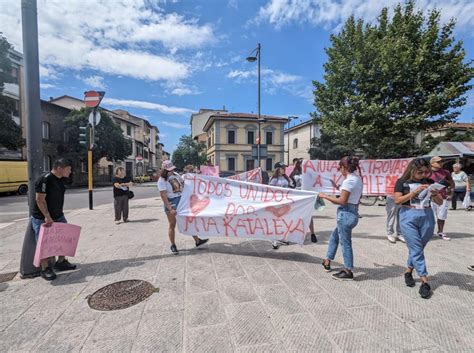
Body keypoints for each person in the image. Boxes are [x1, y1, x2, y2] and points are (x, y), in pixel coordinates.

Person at [394, 158, 443, 299]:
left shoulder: (428, 182)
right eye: (420, 172)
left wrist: (434, 194)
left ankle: (408, 271)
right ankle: (424, 281)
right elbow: (397, 200)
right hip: (408, 214)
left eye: (426, 172)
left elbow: (439, 202)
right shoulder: (401, 182)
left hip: (427, 215)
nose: (423, 175)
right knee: (416, 248)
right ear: (412, 169)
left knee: (418, 247)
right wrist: (413, 193)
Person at [31, 158, 76, 281]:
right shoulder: (45, 179)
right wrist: (47, 216)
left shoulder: (61, 180)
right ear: (60, 168)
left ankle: (61, 261)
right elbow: (40, 200)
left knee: (64, 238)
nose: (70, 171)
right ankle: (45, 268)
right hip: (43, 217)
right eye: (68, 169)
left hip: (58, 215)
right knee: (44, 243)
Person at [319, 156, 363, 281]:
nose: (339, 171)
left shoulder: (348, 181)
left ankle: (348, 270)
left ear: (344, 167)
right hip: (352, 212)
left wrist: (325, 196)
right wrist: (337, 187)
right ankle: (327, 261)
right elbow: (350, 194)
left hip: (346, 214)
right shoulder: (357, 179)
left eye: (340, 168)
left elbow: (342, 201)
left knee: (345, 243)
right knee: (334, 237)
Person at [158, 160, 208, 254]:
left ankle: (197, 240)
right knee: (172, 224)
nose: (171, 171)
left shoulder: (176, 175)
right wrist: (170, 208)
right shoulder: (161, 180)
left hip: (181, 200)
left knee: (188, 221)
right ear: (164, 170)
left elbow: (184, 183)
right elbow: (163, 195)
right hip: (171, 202)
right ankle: (173, 245)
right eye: (169, 170)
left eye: (172, 169)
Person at [429, 156, 454, 240]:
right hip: (430, 198)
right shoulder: (426, 172)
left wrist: (451, 193)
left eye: (441, 162)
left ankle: (440, 232)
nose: (441, 163)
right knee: (430, 216)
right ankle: (430, 232)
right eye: (438, 162)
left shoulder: (446, 172)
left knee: (442, 216)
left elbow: (452, 182)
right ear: (432, 163)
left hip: (443, 197)